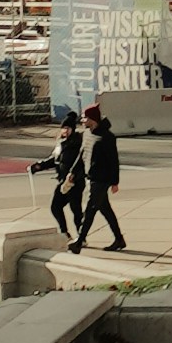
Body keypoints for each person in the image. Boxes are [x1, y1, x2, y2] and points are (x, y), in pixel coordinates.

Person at [73, 107, 125, 253]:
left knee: (90, 210)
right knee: (106, 210)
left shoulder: (107, 137)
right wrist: (73, 172)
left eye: (85, 118)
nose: (82, 121)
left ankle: (79, 241)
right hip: (91, 177)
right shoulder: (87, 134)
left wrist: (115, 182)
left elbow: (114, 161)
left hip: (101, 180)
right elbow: (82, 154)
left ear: (93, 119)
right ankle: (119, 239)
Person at [46, 112, 86, 240]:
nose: (64, 131)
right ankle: (64, 232)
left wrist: (74, 176)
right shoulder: (61, 143)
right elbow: (55, 159)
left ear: (72, 129)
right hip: (63, 181)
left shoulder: (77, 143)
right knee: (55, 206)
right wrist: (39, 166)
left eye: (67, 128)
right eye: (63, 128)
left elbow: (81, 163)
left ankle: (81, 237)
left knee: (76, 210)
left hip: (74, 182)